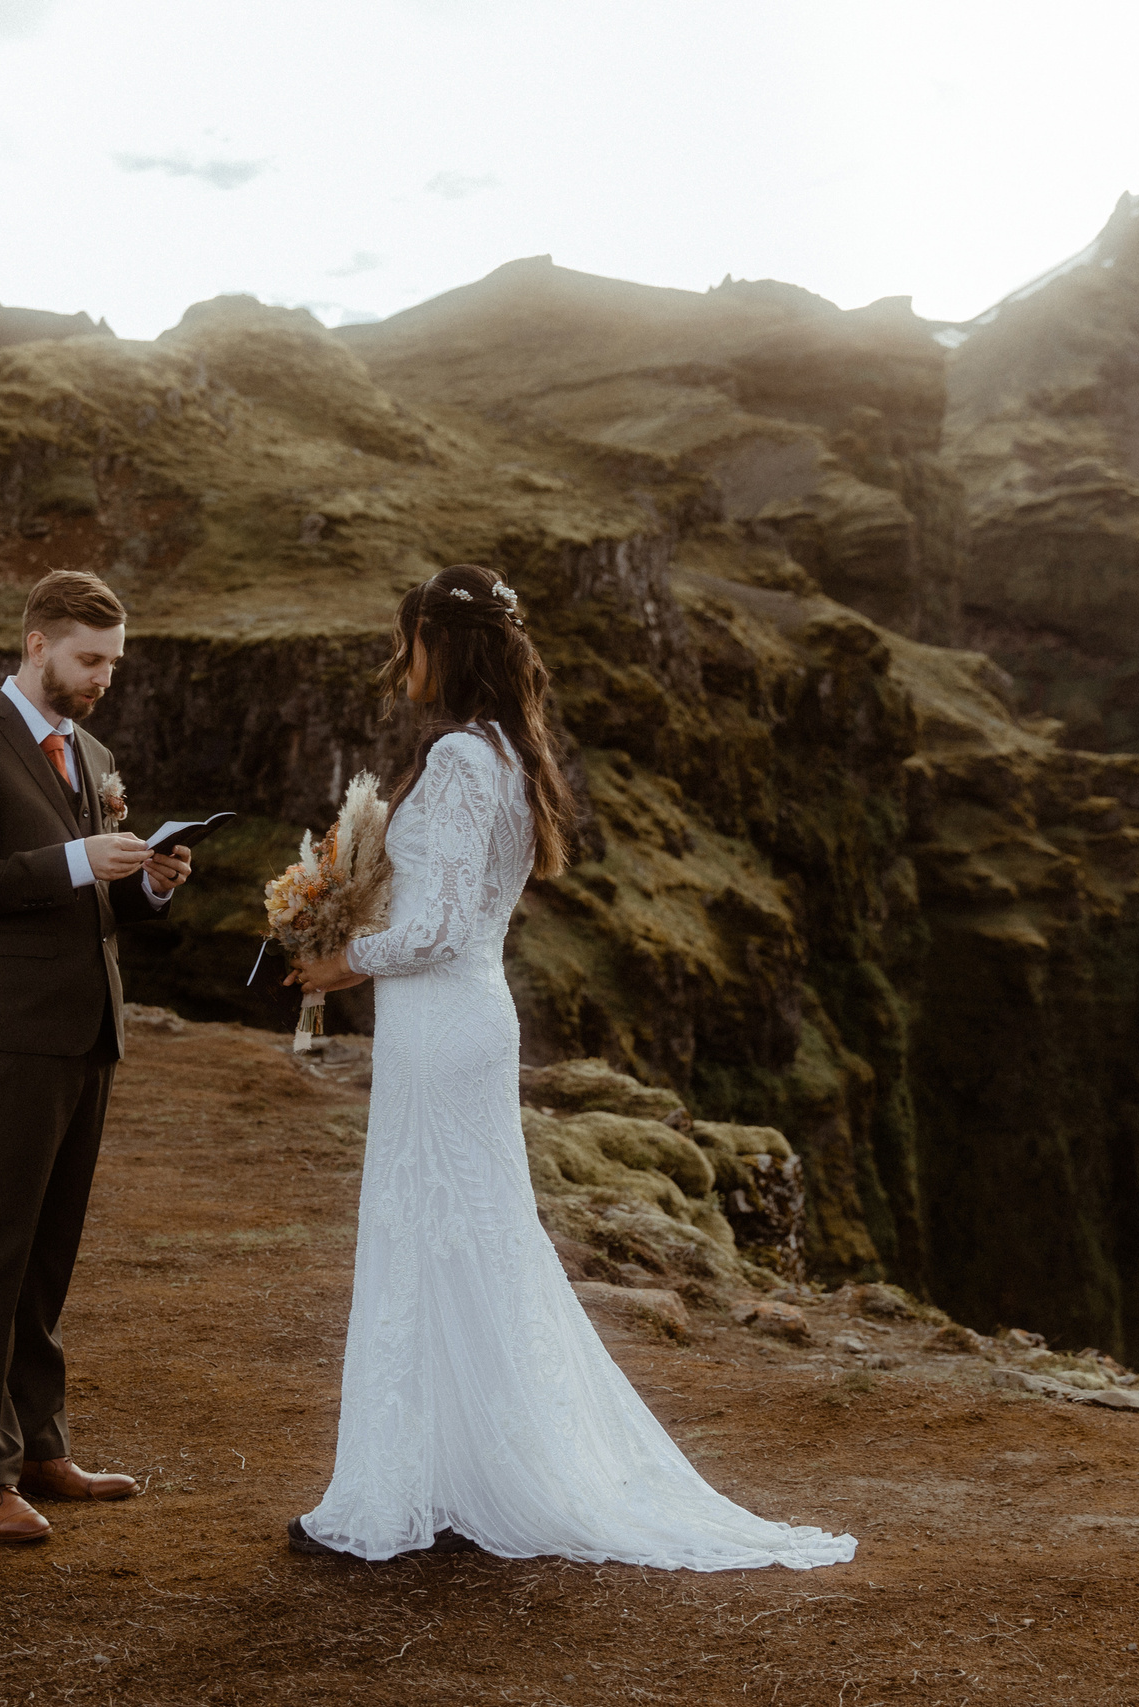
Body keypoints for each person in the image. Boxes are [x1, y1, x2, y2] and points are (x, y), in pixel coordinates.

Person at [283, 563, 857, 1571]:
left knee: (433, 1232)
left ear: (443, 648)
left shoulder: (462, 760)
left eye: (409, 641)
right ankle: (452, 1472)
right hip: (459, 1021)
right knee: (461, 1236)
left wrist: (339, 957)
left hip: (441, 1020)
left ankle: (416, 1489)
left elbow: (443, 926)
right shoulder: (505, 753)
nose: (400, 661)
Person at [0, 569, 196, 1544]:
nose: (103, 678)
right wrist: (81, 859)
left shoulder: (91, 750)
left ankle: (40, 1445)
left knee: (47, 1258)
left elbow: (90, 899)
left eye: (114, 663)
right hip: (9, 1034)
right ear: (35, 644)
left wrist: (146, 882)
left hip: (90, 1031)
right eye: (89, 660)